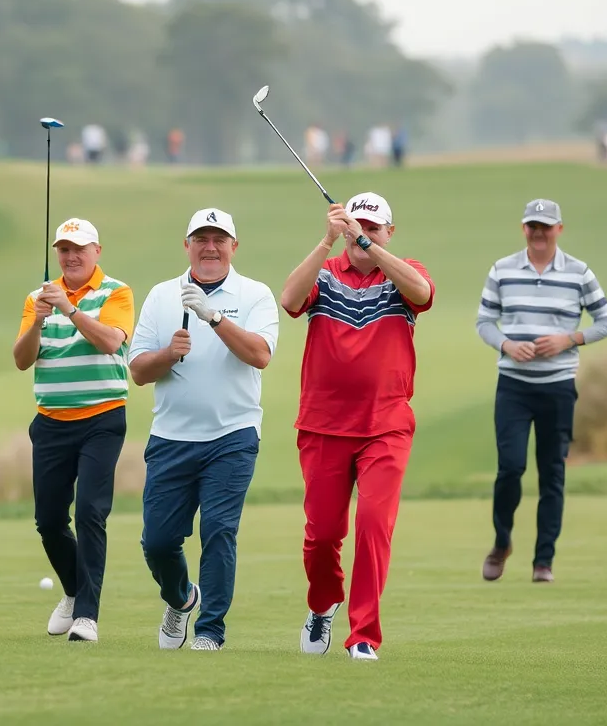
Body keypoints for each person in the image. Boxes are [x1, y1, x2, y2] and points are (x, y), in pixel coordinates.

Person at [280, 192, 435, 662]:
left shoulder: (405, 272)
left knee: (372, 526)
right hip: (324, 424)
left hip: (385, 425)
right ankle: (323, 604)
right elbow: (289, 300)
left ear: (389, 231)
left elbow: (423, 294)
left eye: (374, 227)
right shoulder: (325, 274)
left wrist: (373, 249)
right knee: (323, 534)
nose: (362, 234)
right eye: (356, 226)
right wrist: (327, 240)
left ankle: (363, 633)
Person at [128, 208, 279, 652]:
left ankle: (210, 630)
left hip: (232, 434)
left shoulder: (255, 294)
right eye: (201, 239)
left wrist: (214, 317)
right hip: (172, 436)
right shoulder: (161, 295)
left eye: (219, 239)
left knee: (218, 529)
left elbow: (260, 355)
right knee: (157, 541)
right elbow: (138, 370)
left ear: (234, 246)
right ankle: (181, 598)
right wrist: (167, 355)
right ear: (187, 245)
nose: (210, 247)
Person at [475, 199, 607, 583]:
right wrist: (506, 345)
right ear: (524, 229)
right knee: (510, 467)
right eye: (532, 226)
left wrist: (569, 340)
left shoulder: (578, 272)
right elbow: (485, 322)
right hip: (514, 387)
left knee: (552, 473)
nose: (539, 233)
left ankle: (544, 561)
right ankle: (502, 540)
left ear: (559, 229)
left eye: (546, 226)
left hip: (557, 387)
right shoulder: (502, 270)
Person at [13, 218, 134, 643]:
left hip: (101, 419)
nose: (71, 256)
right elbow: (22, 360)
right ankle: (72, 590)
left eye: (79, 248)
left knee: (89, 513)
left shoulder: (116, 291)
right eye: (63, 249)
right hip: (50, 423)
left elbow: (110, 342)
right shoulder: (37, 298)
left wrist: (68, 307)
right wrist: (38, 322)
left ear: (96, 251)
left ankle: (87, 615)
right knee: (48, 520)